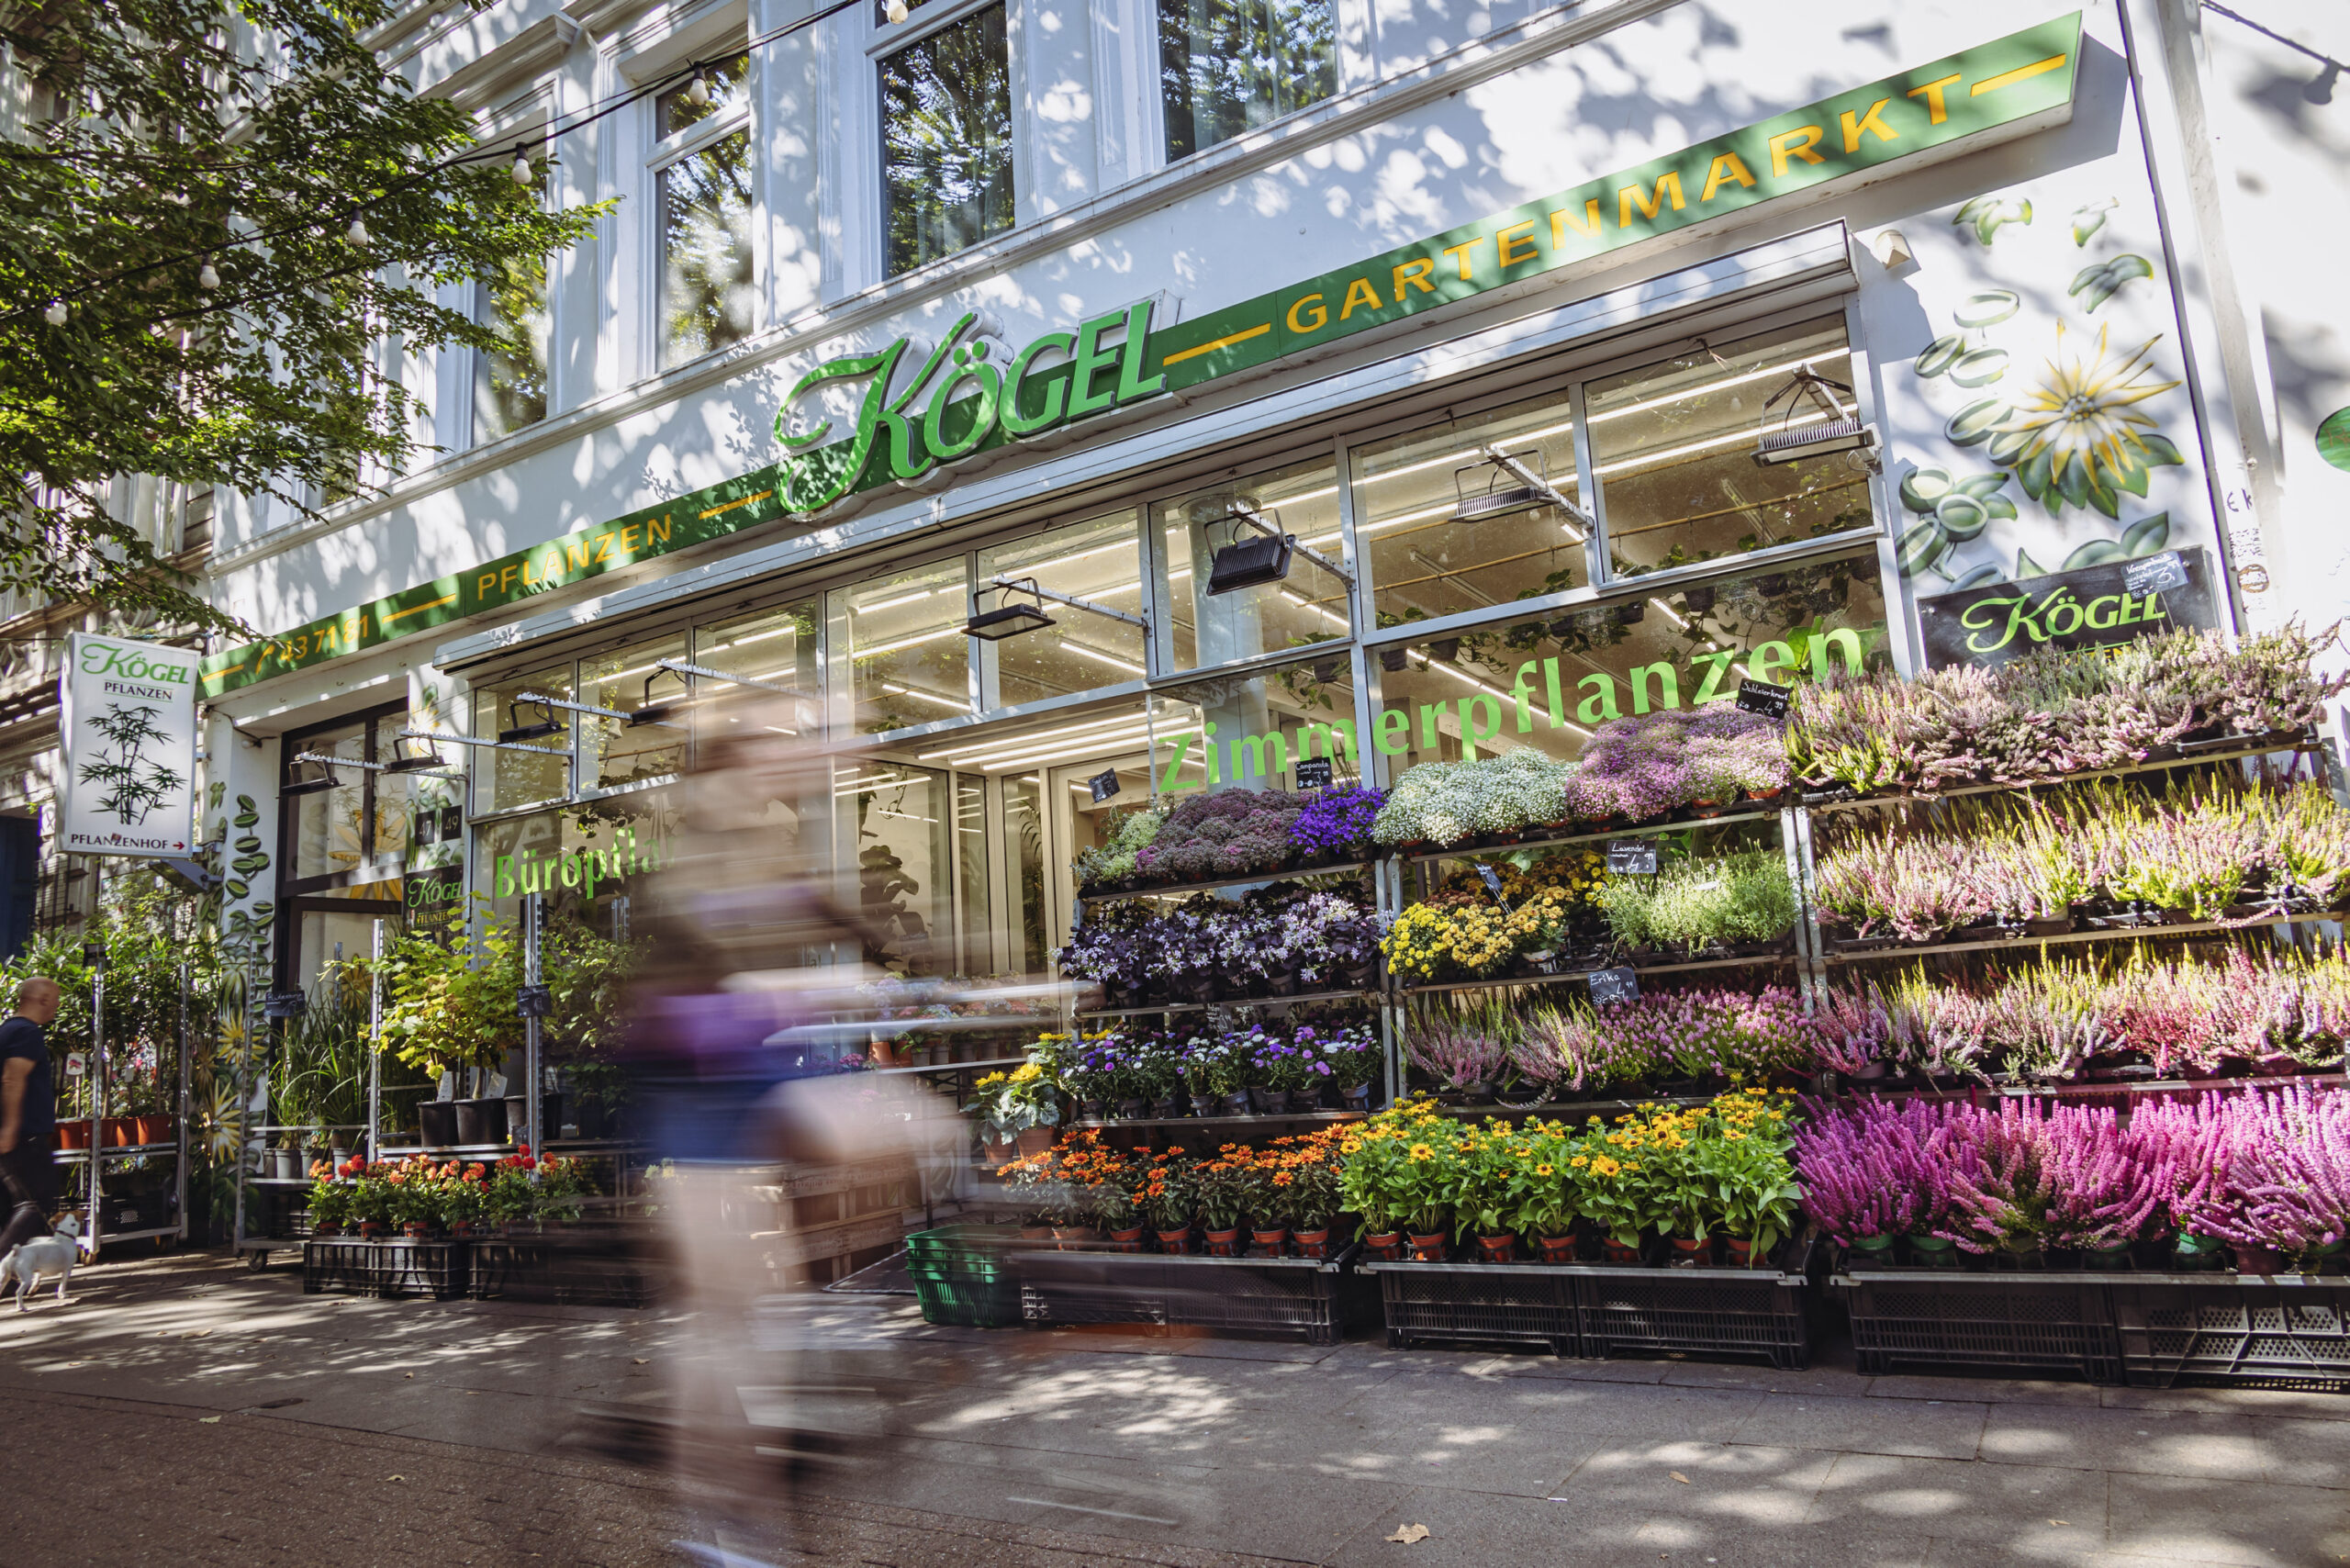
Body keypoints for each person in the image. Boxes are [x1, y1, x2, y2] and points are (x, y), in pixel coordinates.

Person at [0, 976, 62, 1257]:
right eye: (56, 1001)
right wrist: (11, 1127)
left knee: (10, 1205)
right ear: (44, 1000)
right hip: (25, 1136)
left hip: (17, 1136)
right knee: (36, 1205)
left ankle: (10, 1280)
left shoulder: (8, 1030)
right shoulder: (27, 1032)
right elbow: (12, 1079)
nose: (57, 1008)